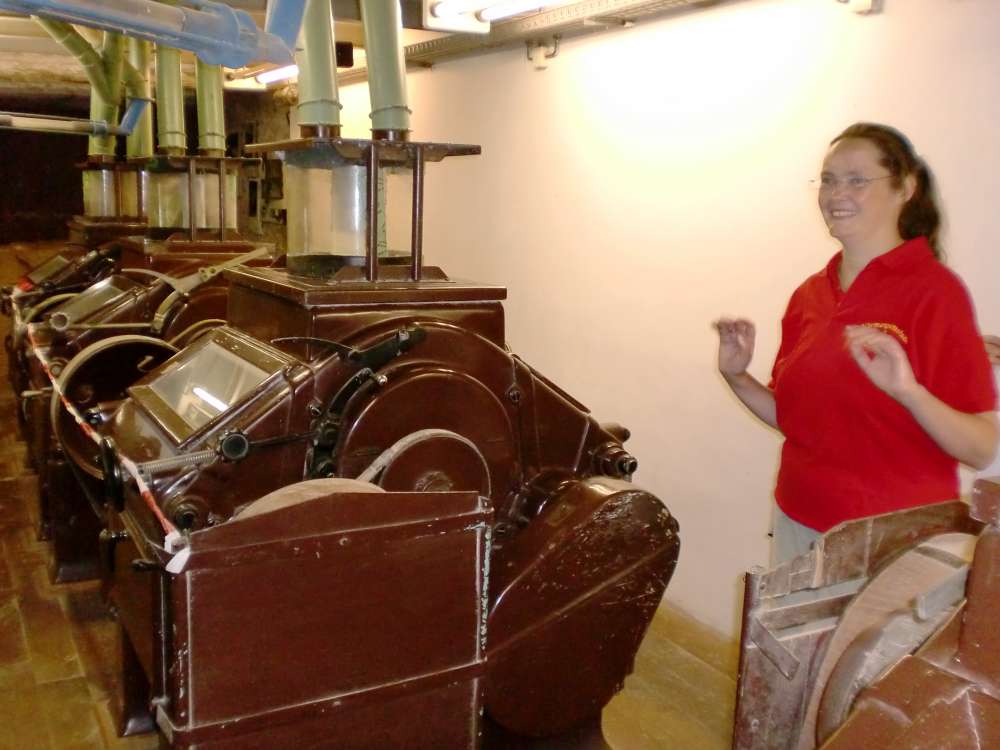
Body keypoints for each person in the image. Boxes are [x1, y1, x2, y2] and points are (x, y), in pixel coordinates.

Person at [715, 123, 999, 565]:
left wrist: (908, 391)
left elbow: (982, 449)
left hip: (893, 539)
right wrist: (736, 377)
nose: (836, 193)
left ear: (905, 188)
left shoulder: (936, 292)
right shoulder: (810, 293)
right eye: (828, 180)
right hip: (798, 520)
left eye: (856, 180)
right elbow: (796, 421)